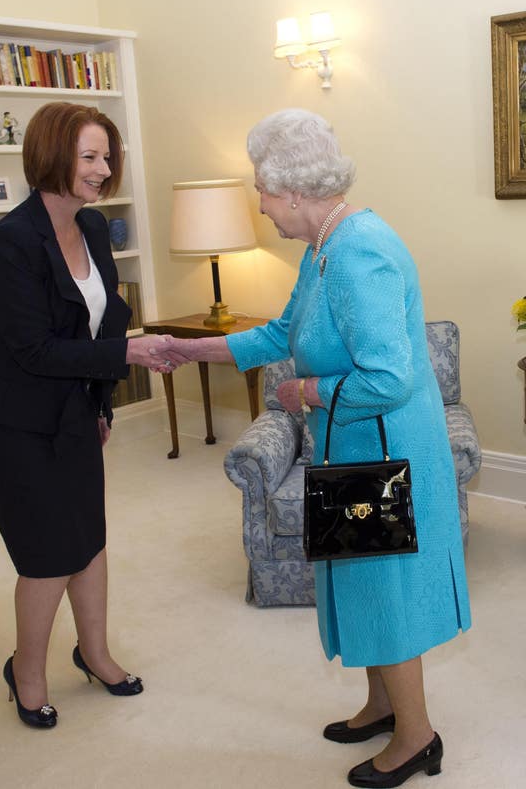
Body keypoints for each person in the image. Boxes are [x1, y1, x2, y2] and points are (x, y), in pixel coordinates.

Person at [160, 109, 471, 788]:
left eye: (263, 193)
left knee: (383, 590)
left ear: (294, 191)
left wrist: (310, 391)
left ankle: (418, 738)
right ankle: (384, 705)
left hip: (382, 448)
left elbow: (388, 375)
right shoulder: (325, 245)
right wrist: (193, 348)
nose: (262, 206)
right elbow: (280, 331)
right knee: (361, 583)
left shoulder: (360, 251)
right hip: (355, 445)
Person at [0, 102, 184, 728]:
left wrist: (101, 401)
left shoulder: (93, 225)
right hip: (9, 412)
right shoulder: (12, 240)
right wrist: (127, 353)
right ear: (53, 155)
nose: (103, 168)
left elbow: (101, 320)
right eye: (89, 156)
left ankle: (95, 653)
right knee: (48, 550)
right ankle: (26, 673)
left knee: (89, 535)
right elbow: (33, 349)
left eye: (107, 156)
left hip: (70, 401)